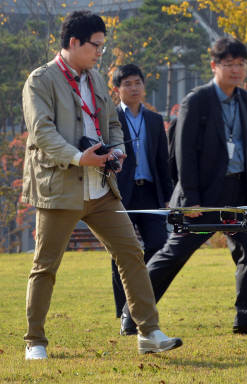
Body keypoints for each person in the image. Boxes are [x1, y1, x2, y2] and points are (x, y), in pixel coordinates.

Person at [21, 10, 182, 360]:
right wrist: (81, 158)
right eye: (96, 46)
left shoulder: (95, 79)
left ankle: (148, 332)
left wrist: (118, 152)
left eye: (102, 47)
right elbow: (42, 132)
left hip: (102, 186)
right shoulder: (40, 80)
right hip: (60, 188)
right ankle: (35, 341)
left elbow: (112, 123)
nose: (99, 53)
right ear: (74, 43)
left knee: (131, 252)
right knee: (46, 266)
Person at [119, 36, 247, 335]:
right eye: (228, 64)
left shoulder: (245, 99)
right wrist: (191, 199)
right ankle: (132, 314)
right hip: (201, 197)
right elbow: (184, 152)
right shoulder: (197, 100)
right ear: (214, 66)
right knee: (174, 254)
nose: (235, 70)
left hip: (236, 192)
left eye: (241, 64)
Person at [111, 64, 172, 327]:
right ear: (117, 90)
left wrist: (168, 196)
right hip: (121, 194)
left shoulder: (155, 120)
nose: (134, 88)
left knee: (159, 245)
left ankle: (136, 301)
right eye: (127, 84)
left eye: (138, 82)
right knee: (121, 253)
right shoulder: (111, 119)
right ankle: (123, 311)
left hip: (150, 192)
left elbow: (163, 161)